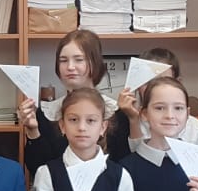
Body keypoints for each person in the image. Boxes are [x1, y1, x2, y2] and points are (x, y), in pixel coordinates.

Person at [19, 29, 133, 175]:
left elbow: (123, 166)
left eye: (79, 59)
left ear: (95, 62)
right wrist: (32, 130)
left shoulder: (116, 112)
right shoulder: (48, 112)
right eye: (63, 60)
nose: (70, 67)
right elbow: (38, 169)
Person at [121, 47, 198, 150]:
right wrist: (133, 120)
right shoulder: (126, 121)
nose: (156, 87)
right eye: (147, 82)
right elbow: (137, 157)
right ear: (137, 85)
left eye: (164, 80)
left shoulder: (195, 127)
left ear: (178, 82)